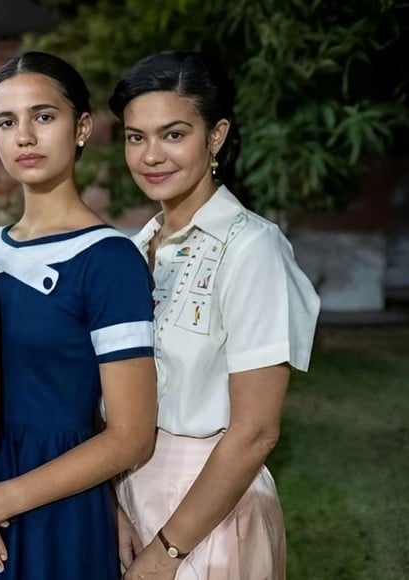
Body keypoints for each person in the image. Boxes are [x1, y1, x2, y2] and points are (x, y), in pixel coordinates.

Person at [0, 51, 158, 580]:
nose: (24, 137)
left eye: (44, 116)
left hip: (58, 509)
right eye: (6, 121)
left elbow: (131, 435)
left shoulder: (111, 260)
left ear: (81, 127)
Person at [107, 50, 321, 579]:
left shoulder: (252, 248)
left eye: (173, 134)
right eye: (137, 137)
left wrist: (166, 554)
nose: (151, 155)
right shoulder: (133, 251)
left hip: (210, 517)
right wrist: (113, 505)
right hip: (128, 502)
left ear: (216, 136)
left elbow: (255, 432)